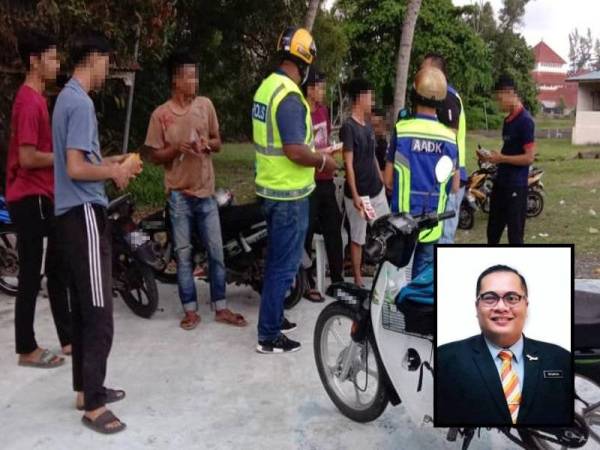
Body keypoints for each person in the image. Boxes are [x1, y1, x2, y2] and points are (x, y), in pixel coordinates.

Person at [52, 31, 141, 434]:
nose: (108, 69)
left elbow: (83, 159)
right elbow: (75, 168)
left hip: (70, 214)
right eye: (107, 61)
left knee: (83, 307)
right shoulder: (80, 102)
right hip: (84, 213)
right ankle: (94, 405)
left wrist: (112, 160)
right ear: (95, 58)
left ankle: (84, 388)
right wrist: (115, 172)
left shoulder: (66, 100)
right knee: (99, 311)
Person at [144, 50, 247, 330]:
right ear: (176, 80)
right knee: (184, 255)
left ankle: (221, 307)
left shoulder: (205, 106)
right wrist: (176, 148)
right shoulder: (161, 115)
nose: (195, 81)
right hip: (179, 196)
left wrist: (206, 144)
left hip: (206, 193)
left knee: (216, 252)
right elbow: (153, 156)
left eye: (196, 75)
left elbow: (218, 142)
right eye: (189, 76)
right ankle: (190, 310)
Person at [252, 27, 337, 353]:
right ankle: (269, 335)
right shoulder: (288, 96)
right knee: (282, 265)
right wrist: (323, 162)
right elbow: (293, 150)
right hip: (288, 194)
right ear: (304, 61)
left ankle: (273, 317)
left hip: (272, 190)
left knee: (277, 259)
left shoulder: (266, 88)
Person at [436, 265, 572, 426]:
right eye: (489, 298)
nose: (501, 307)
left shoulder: (560, 358)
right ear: (477, 307)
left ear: (526, 306)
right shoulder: (444, 360)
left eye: (512, 298)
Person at [6, 30, 71, 369]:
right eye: (52, 57)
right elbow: (28, 157)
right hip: (29, 196)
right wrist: (63, 156)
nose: (56, 63)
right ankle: (26, 347)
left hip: (41, 195)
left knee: (56, 264)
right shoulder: (29, 101)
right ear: (35, 60)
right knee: (32, 273)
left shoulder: (36, 98)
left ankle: (68, 337)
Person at [384, 67, 459, 278]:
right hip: (432, 225)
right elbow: (454, 187)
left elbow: (388, 180)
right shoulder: (449, 138)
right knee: (419, 283)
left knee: (397, 281)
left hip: (401, 224)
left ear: (415, 94)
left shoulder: (403, 129)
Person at [341, 79, 390, 287]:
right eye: (370, 95)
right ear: (360, 98)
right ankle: (358, 279)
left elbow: (372, 157)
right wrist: (355, 196)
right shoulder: (348, 127)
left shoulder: (368, 126)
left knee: (387, 232)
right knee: (358, 238)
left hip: (376, 192)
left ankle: (386, 276)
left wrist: (383, 182)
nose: (372, 100)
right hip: (360, 197)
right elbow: (348, 164)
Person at [302, 68, 344, 302]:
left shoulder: (323, 112)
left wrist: (331, 153)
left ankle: (337, 281)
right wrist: (323, 152)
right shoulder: (301, 113)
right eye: (320, 87)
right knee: (305, 233)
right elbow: (302, 149)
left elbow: (324, 140)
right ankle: (306, 283)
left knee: (334, 229)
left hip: (326, 178)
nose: (323, 92)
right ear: (310, 89)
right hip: (308, 182)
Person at [480, 75, 535, 245]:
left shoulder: (525, 121)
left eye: (499, 98)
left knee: (515, 237)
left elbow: (529, 157)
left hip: (516, 186)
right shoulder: (508, 120)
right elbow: (507, 151)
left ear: (510, 93)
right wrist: (490, 157)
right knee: (493, 232)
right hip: (501, 184)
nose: (499, 103)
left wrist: (502, 158)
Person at [420, 53, 467, 244]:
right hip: (442, 175)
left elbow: (450, 135)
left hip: (451, 176)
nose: (421, 73)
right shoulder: (439, 95)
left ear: (436, 72)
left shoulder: (447, 96)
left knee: (443, 237)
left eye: (424, 69)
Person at [371, 108, 389, 174]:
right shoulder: (370, 141)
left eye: (376, 126)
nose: (374, 129)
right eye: (372, 126)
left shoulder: (384, 145)